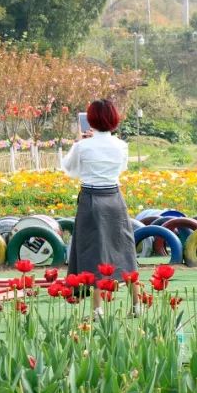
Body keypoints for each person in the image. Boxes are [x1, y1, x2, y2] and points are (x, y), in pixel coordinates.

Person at [61, 99, 139, 316]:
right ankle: (136, 305)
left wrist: (78, 142)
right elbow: (121, 169)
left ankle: (97, 310)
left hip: (91, 198)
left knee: (93, 251)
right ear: (114, 119)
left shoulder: (82, 146)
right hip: (115, 198)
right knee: (125, 248)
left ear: (91, 120)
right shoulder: (122, 146)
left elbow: (69, 169)